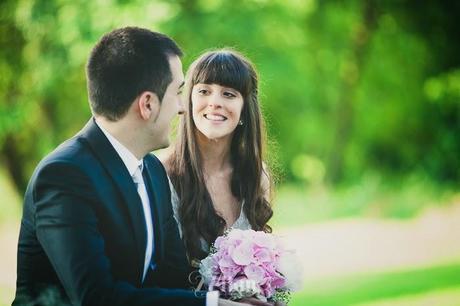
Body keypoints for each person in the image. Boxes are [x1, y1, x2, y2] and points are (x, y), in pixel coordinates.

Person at [13, 27, 251, 306]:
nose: (182, 108)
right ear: (147, 104)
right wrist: (213, 305)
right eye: (177, 92)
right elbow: (96, 298)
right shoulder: (64, 175)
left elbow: (173, 277)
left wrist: (239, 295)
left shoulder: (151, 170)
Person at [163, 49, 274, 266]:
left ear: (244, 110)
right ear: (189, 101)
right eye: (204, 91)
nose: (214, 102)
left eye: (228, 94)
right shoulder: (161, 174)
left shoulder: (257, 175)